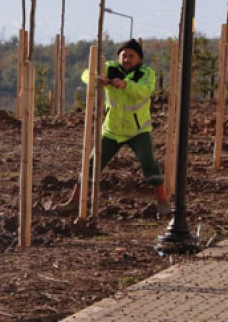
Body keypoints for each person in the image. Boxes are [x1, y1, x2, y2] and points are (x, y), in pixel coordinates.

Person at [57, 38, 168, 215]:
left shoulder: (146, 74)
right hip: (112, 130)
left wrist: (125, 85)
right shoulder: (109, 67)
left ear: (139, 59)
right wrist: (96, 78)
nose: (126, 59)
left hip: (138, 130)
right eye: (124, 55)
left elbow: (143, 92)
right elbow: (86, 74)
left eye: (131, 56)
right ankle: (75, 200)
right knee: (92, 164)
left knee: (149, 163)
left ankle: (163, 201)